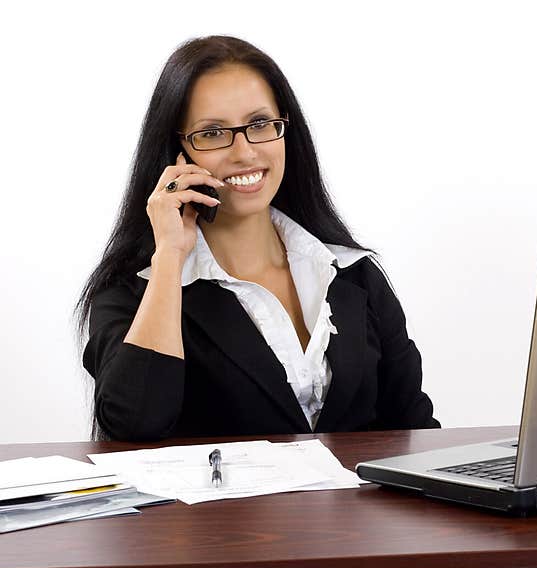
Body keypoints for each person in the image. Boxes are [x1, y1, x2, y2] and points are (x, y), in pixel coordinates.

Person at [76, 35, 440, 441]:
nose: (245, 152)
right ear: (176, 153)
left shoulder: (354, 275)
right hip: (217, 508)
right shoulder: (132, 295)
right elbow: (133, 428)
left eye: (260, 124)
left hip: (355, 506)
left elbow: (415, 433)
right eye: (212, 134)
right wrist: (169, 257)